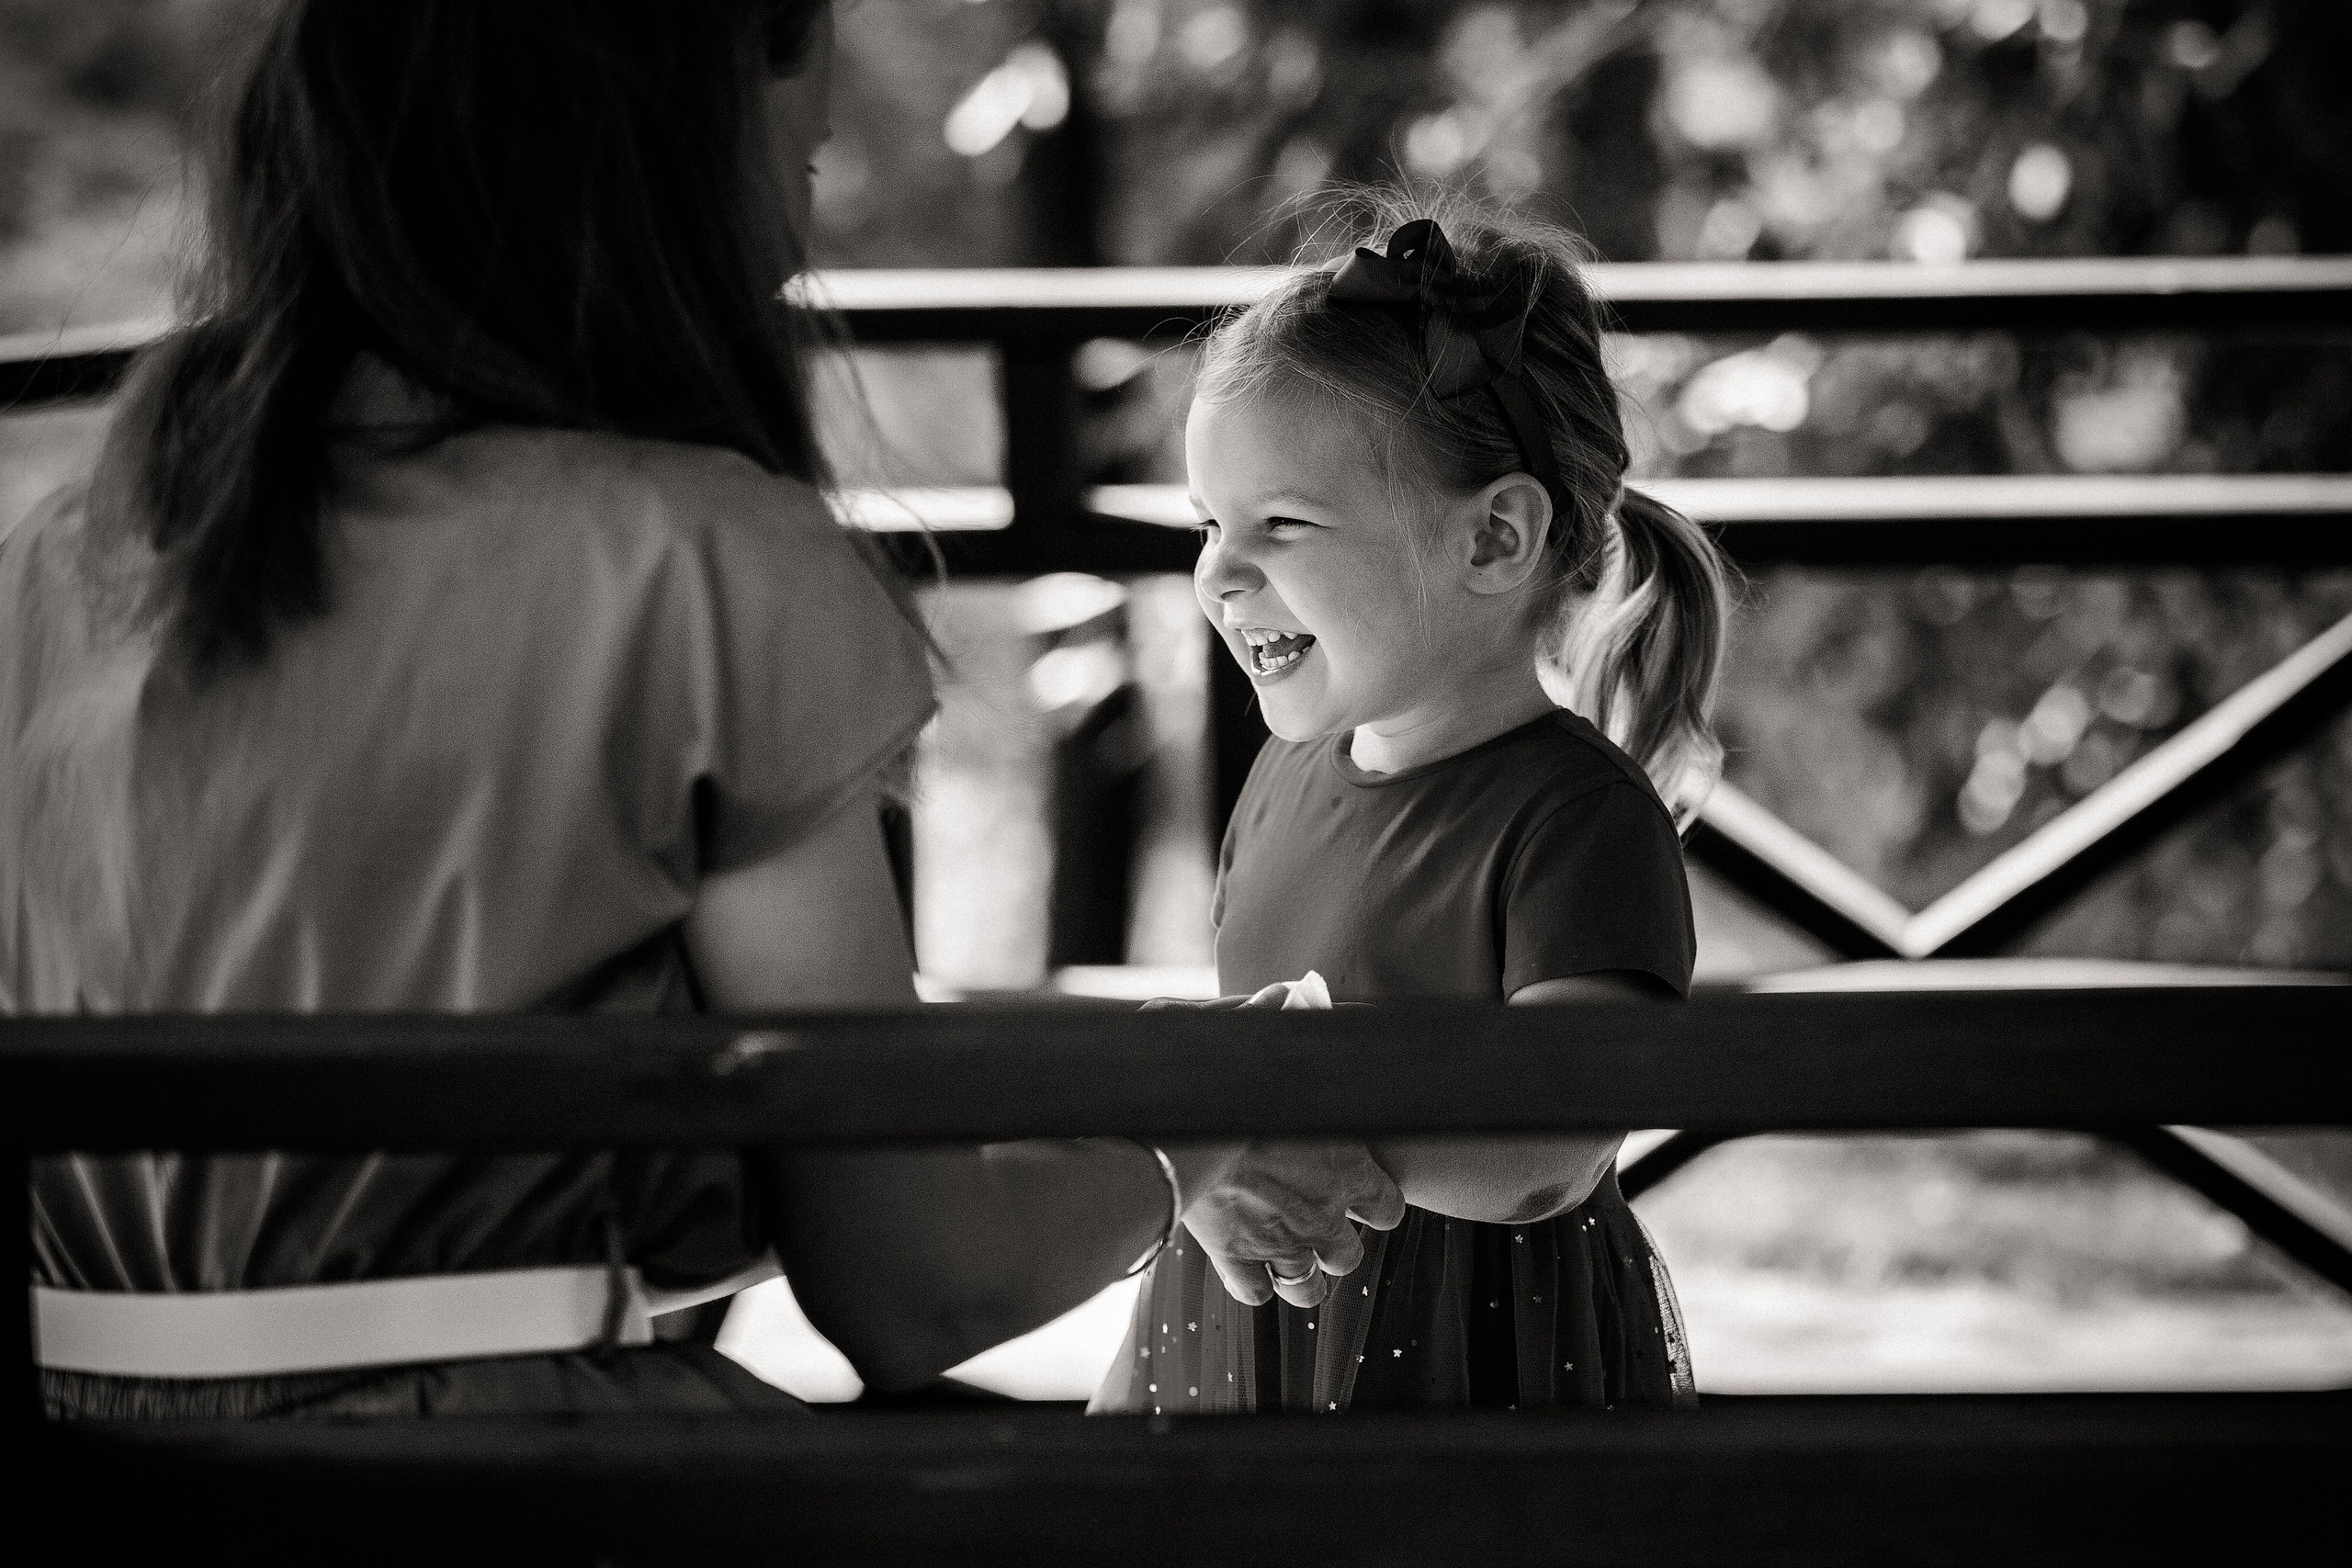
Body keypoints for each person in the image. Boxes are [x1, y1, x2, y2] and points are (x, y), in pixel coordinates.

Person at [0, 0, 1400, 1420]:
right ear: (673, 164)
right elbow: (913, 1284)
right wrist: (1204, 1120)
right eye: (795, 177)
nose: (794, 252)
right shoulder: (703, 561)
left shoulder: (61, 565)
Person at [1093, 197, 1723, 1415]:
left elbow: (1553, 1148)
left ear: (1495, 536)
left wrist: (1307, 1134)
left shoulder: (1575, 821)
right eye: (1209, 526)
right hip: (1256, 1325)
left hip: (1476, 1358)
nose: (1220, 574)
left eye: (1279, 524)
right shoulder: (1286, 777)